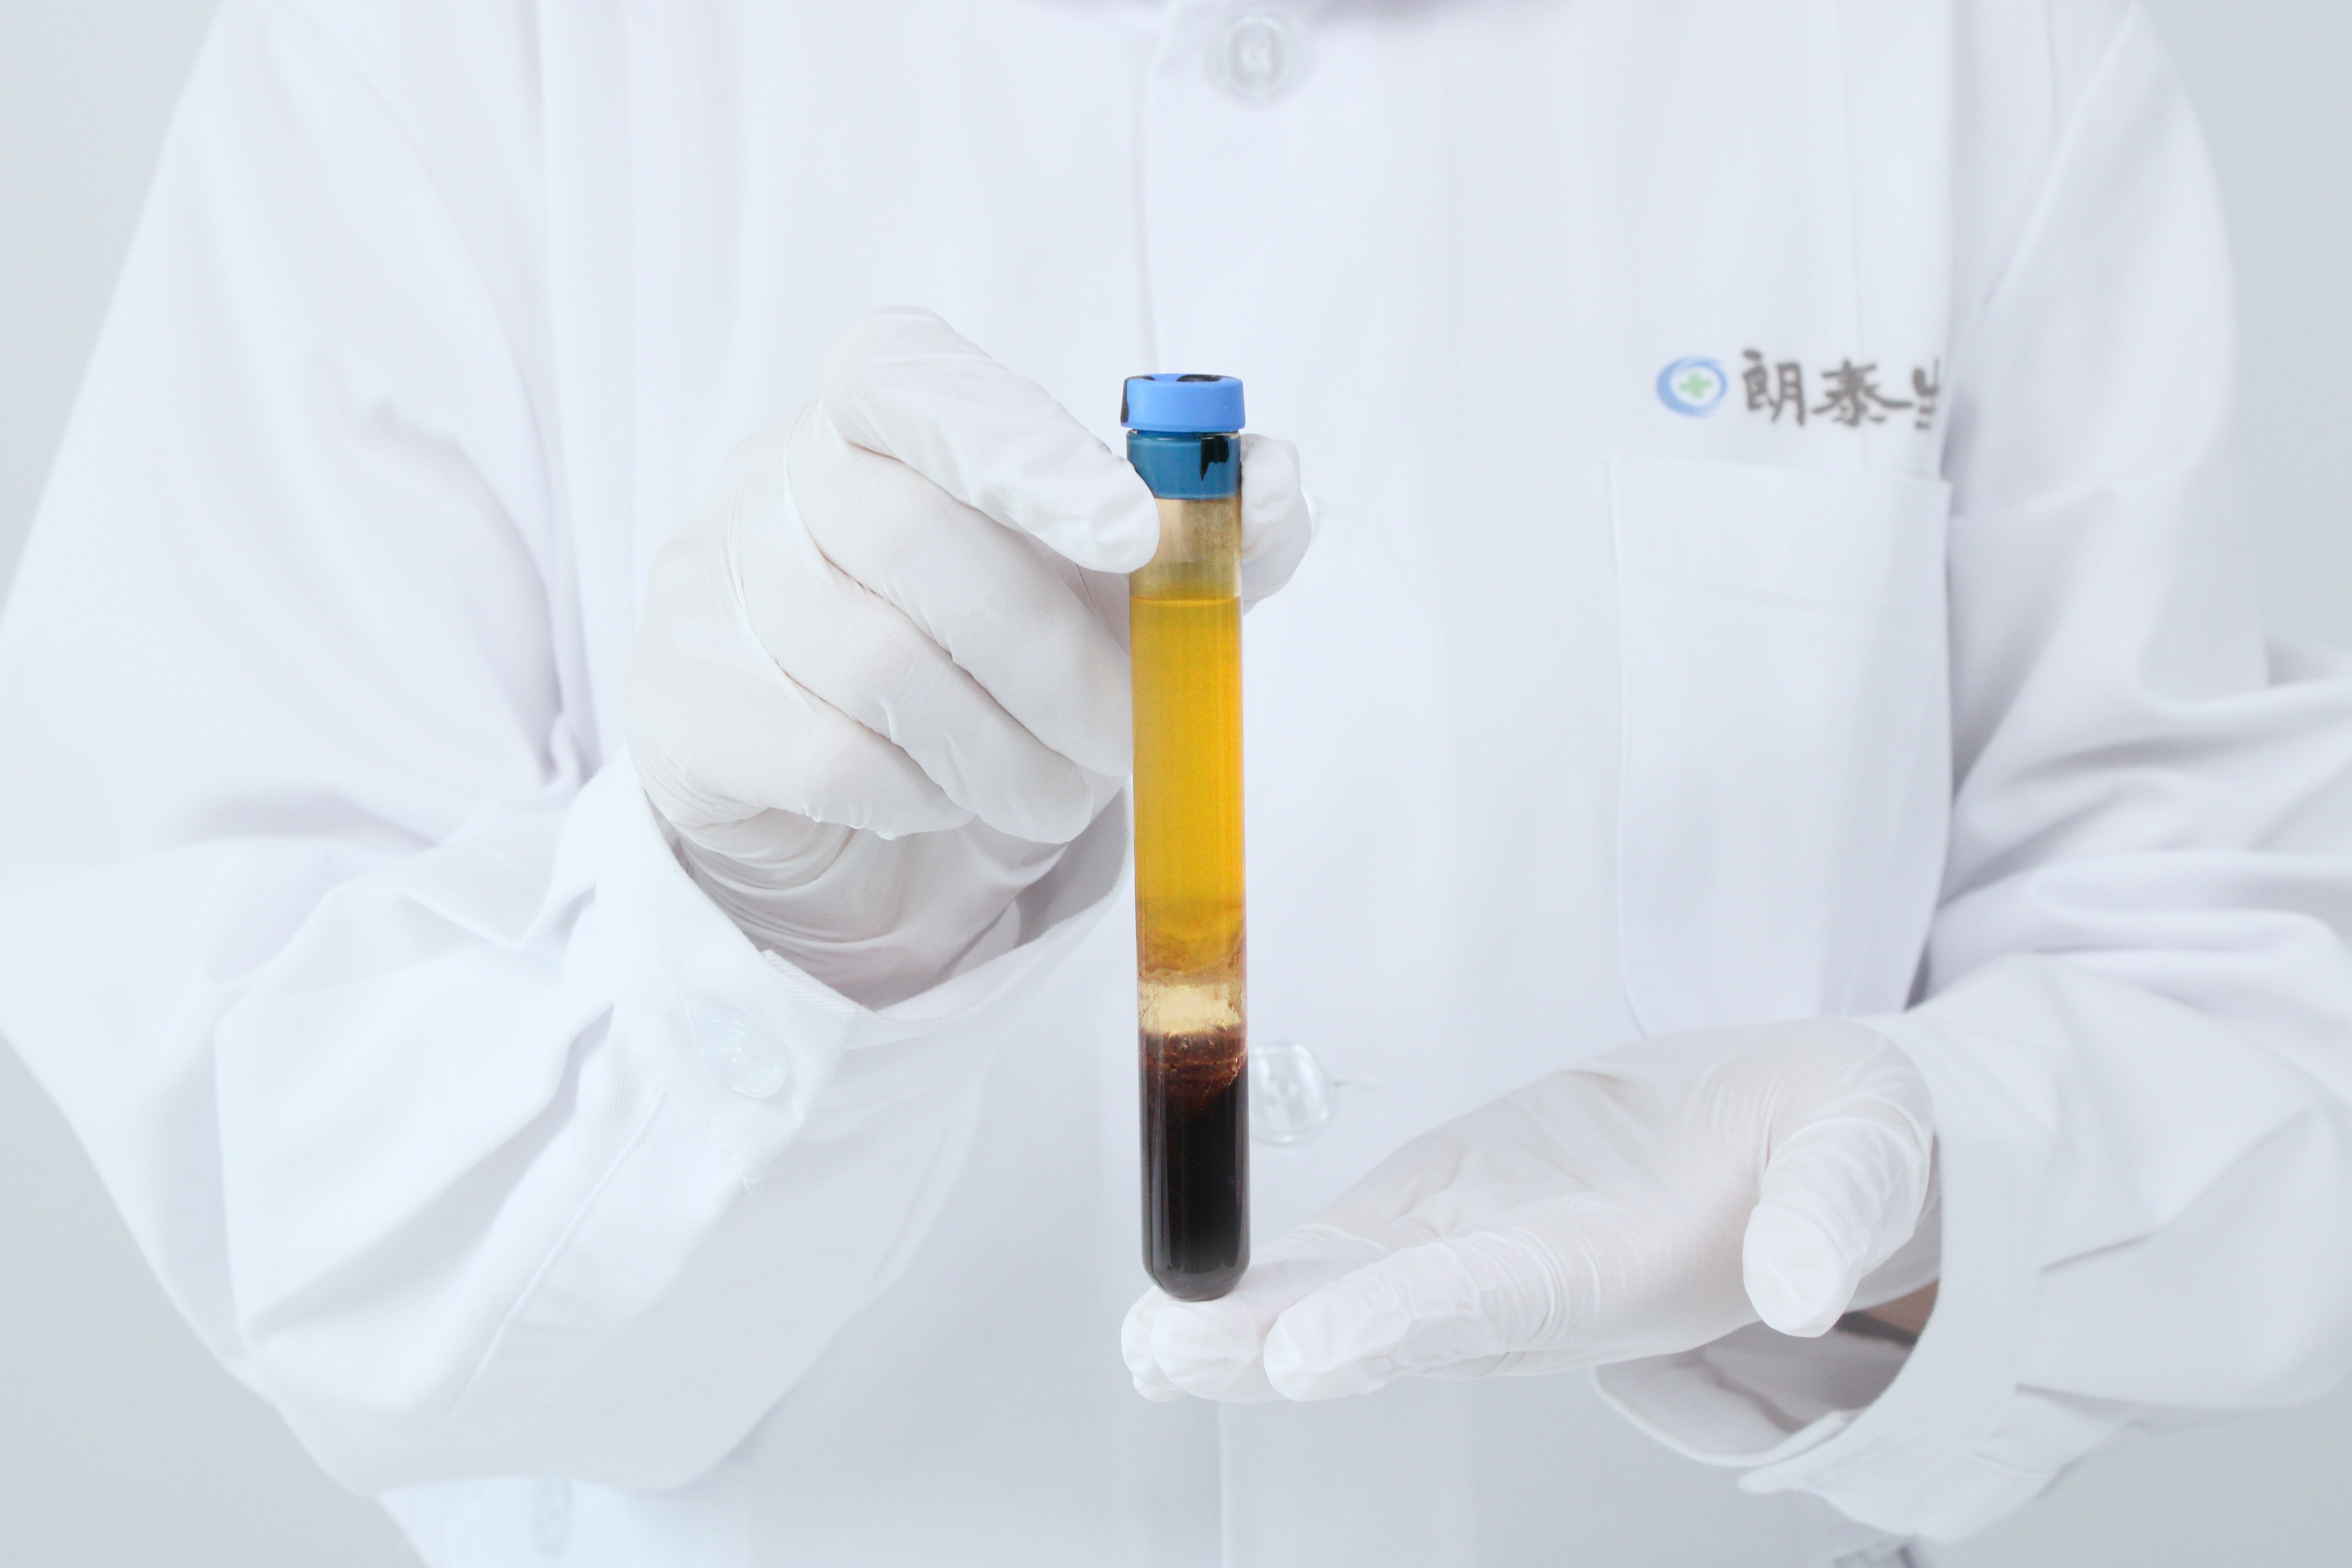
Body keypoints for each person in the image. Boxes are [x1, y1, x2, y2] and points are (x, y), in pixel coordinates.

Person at [4, 1, 2351, 1563]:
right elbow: (286, 1177)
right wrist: (744, 952)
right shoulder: (434, 49)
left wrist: (1936, 1183)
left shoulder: (1966, 46)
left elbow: (2234, 976)